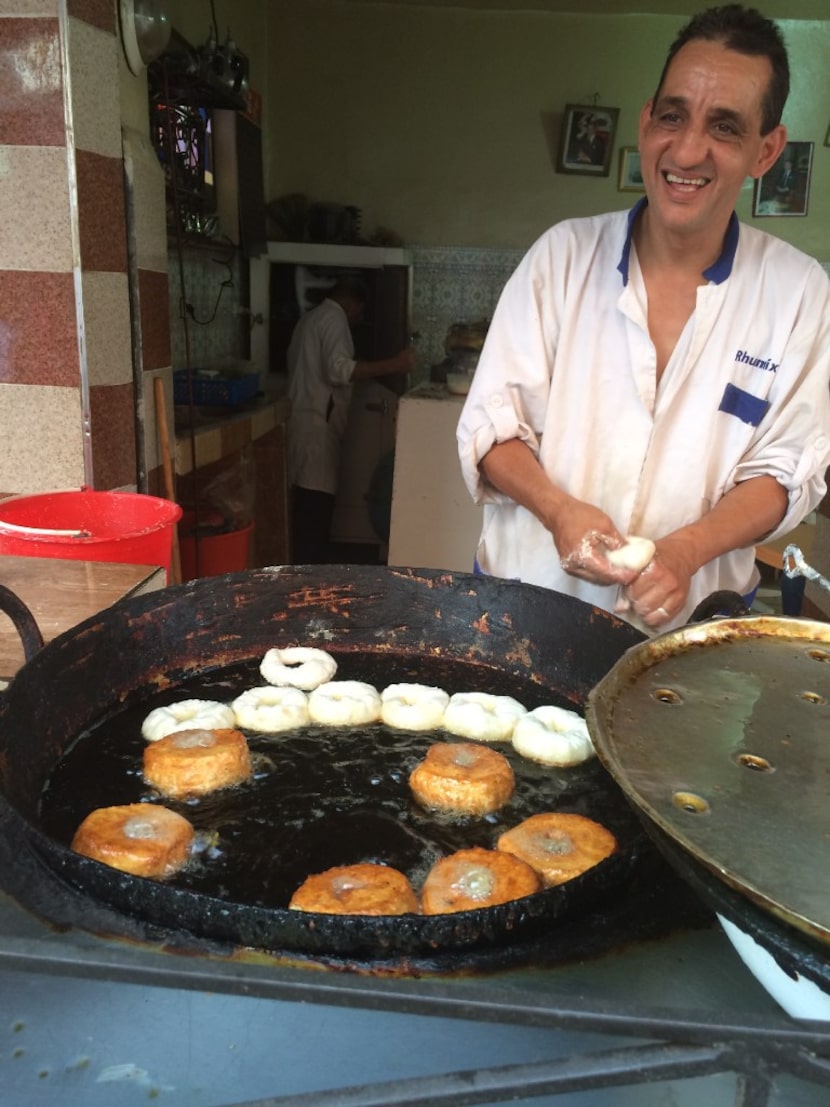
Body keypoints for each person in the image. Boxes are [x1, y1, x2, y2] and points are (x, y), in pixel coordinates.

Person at [457, 4, 830, 634]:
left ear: (766, 152)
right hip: (524, 616)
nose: (687, 150)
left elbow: (785, 469)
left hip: (690, 638)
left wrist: (685, 551)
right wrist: (557, 511)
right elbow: (492, 429)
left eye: (724, 127)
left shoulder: (797, 291)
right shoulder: (562, 257)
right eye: (673, 115)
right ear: (646, 120)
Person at [287, 275, 416, 563]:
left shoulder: (309, 320)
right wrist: (396, 364)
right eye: (360, 310)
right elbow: (339, 370)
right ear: (352, 301)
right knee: (315, 507)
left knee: (305, 504)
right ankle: (309, 579)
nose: (360, 317)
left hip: (302, 422)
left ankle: (302, 572)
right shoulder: (334, 321)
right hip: (317, 426)